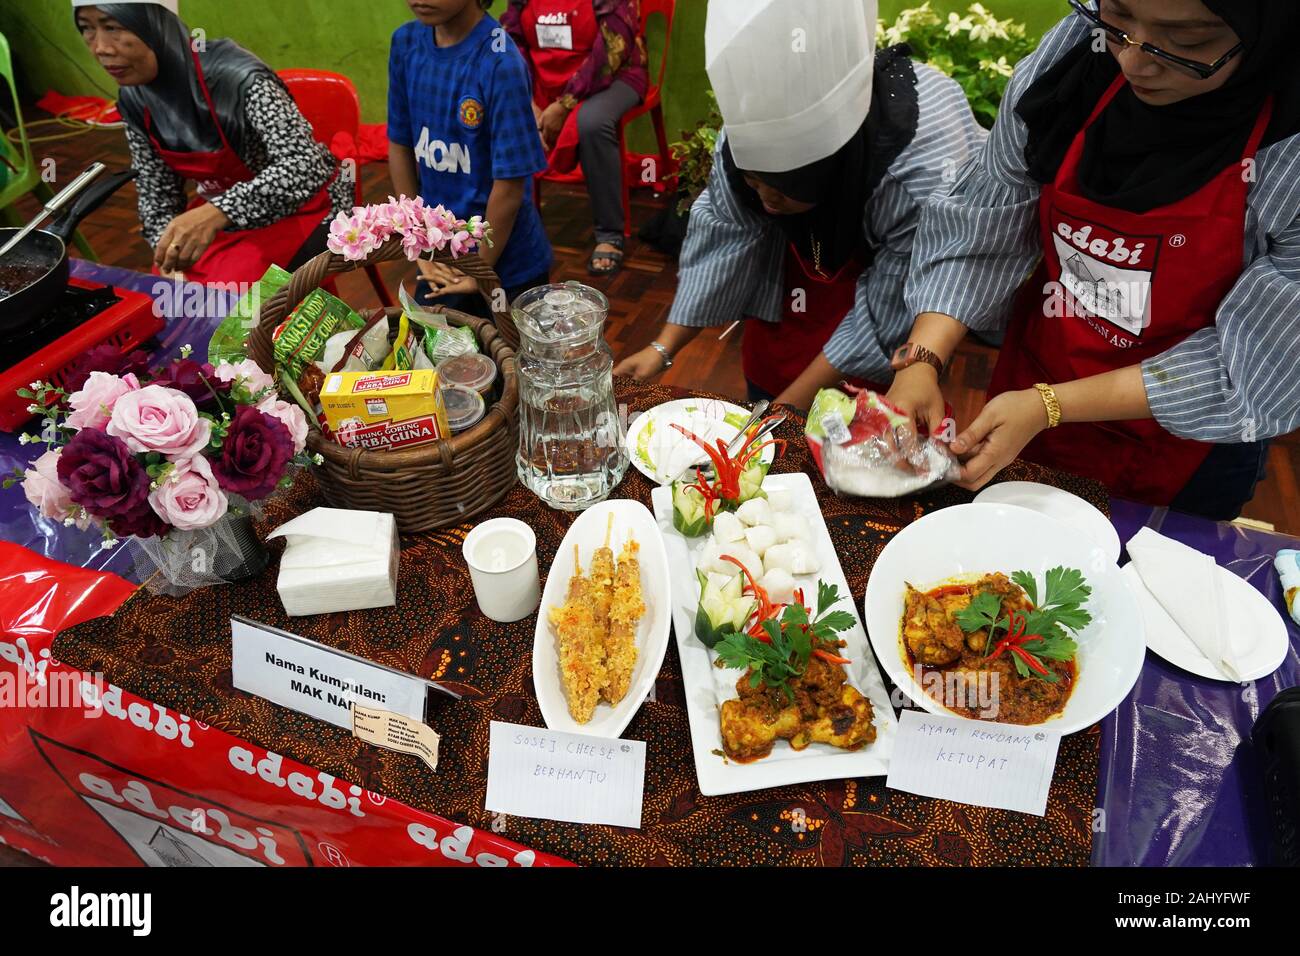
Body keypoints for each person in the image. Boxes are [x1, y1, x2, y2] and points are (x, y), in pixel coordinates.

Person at [888, 0, 1300, 520]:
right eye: (1120, 19)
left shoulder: (1289, 147)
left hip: (1188, 437)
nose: (1133, 63)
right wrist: (923, 359)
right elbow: (983, 218)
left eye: (1188, 42)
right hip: (1038, 378)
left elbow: (1262, 357)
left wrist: (1051, 405)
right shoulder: (1075, 64)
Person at [613, 0, 987, 411]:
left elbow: (892, 308)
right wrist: (661, 348)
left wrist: (782, 411)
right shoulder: (746, 130)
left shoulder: (917, 162)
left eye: (783, 191)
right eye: (754, 184)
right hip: (789, 295)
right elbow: (722, 235)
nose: (766, 202)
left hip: (880, 327)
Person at [73, 1, 352, 284]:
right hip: (223, 218)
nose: (100, 47)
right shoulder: (135, 99)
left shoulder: (236, 76)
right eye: (87, 29)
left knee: (240, 306)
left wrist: (221, 210)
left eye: (113, 27)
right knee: (170, 295)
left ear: (157, 25)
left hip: (305, 207)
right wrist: (166, 248)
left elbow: (305, 166)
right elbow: (155, 193)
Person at [389, 0, 553, 316]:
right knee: (436, 359)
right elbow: (400, 145)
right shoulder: (406, 43)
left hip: (505, 265)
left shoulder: (500, 61)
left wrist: (479, 268)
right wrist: (418, 242)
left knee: (510, 361)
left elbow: (509, 186)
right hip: (439, 257)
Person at [500, 0, 648, 276]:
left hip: (613, 75)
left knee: (593, 123)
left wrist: (565, 104)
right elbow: (511, 39)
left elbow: (611, 52)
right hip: (542, 79)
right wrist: (524, 94)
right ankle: (513, 225)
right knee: (506, 109)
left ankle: (609, 234)